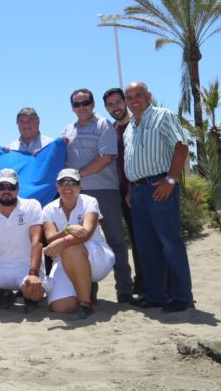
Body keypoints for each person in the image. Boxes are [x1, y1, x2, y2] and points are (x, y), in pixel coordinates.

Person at [123, 82, 193, 313]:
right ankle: (156, 296)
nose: (133, 100)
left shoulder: (163, 116)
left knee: (170, 244)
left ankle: (182, 297)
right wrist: (130, 191)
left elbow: (181, 147)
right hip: (138, 192)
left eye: (138, 95)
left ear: (148, 96)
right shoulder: (129, 127)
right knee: (146, 247)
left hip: (159, 187)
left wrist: (171, 180)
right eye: (129, 97)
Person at [61, 88, 134, 303]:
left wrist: (77, 174)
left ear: (93, 104)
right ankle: (87, 288)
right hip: (78, 195)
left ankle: (125, 290)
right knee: (81, 240)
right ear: (72, 107)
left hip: (105, 191)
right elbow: (58, 157)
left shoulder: (104, 125)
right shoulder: (67, 130)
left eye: (85, 103)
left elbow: (106, 158)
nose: (81, 107)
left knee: (115, 240)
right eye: (77, 104)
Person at [42, 169, 116, 320]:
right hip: (64, 261)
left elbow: (86, 233)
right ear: (57, 186)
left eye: (73, 182)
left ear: (80, 186)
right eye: (63, 182)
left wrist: (63, 240)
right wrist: (67, 229)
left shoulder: (89, 201)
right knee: (61, 307)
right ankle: (84, 288)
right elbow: (50, 239)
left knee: (70, 246)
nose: (68, 186)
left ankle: (85, 303)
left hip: (96, 257)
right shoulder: (49, 209)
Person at [0, 169, 45, 312]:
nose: (6, 191)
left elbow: (37, 242)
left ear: (17, 189)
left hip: (27, 268)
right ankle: (5, 293)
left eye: (10, 187)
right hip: (1, 269)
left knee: (35, 295)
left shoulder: (32, 206)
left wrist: (33, 273)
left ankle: (27, 292)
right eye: (2, 187)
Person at [103, 87, 144, 295]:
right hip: (117, 192)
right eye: (110, 104)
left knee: (143, 239)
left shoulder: (137, 125)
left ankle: (152, 284)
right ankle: (141, 282)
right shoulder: (110, 129)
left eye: (118, 102)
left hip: (136, 191)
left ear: (125, 102)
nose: (115, 107)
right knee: (133, 240)